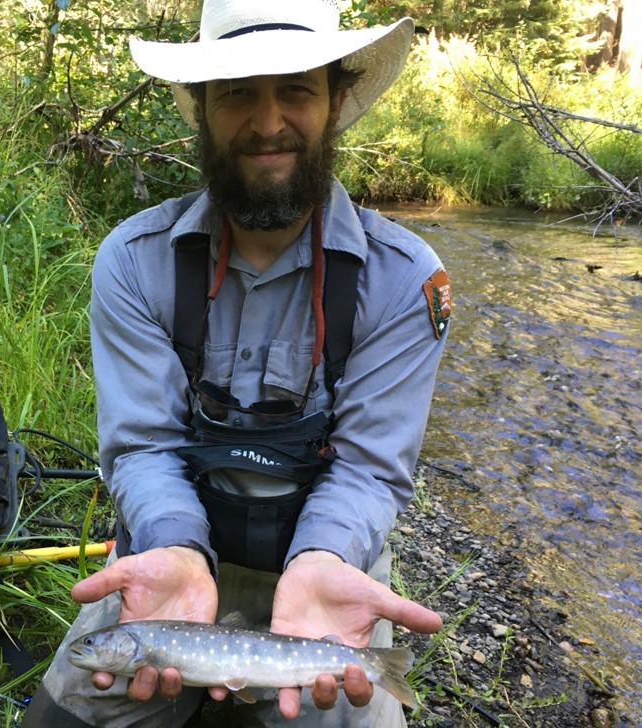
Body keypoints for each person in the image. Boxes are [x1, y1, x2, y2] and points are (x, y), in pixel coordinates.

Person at [22, 1, 452, 726]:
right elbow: (143, 448)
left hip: (326, 575)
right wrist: (175, 550)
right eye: (237, 93)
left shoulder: (406, 281)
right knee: (73, 706)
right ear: (200, 109)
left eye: (296, 89)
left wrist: (323, 561)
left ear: (337, 99)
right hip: (172, 565)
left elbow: (369, 469)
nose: (268, 121)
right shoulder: (133, 263)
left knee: (351, 712)